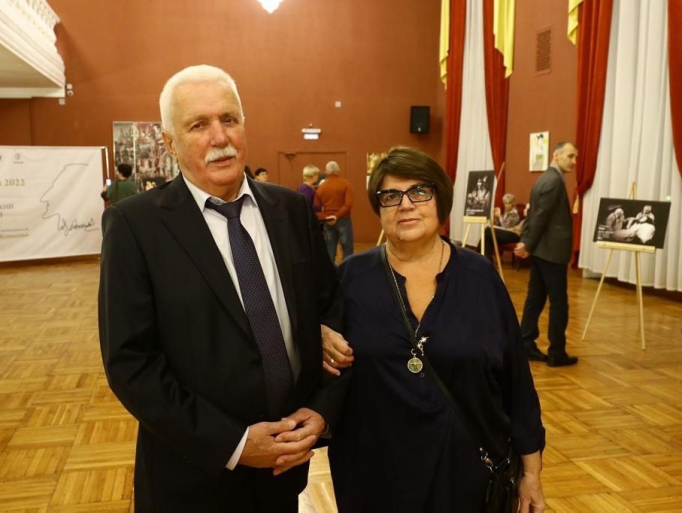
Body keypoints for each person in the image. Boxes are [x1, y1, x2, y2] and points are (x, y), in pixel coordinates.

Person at [98, 64, 347, 512]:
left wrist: (321, 410)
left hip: (285, 468)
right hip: (193, 477)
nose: (219, 137)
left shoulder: (290, 211)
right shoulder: (135, 226)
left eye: (229, 119)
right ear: (170, 143)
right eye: (198, 125)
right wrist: (233, 443)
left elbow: (331, 311)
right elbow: (131, 364)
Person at [322, 146, 546, 512]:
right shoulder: (350, 278)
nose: (405, 205)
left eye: (419, 192)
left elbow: (517, 382)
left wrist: (531, 472)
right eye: (391, 196)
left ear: (440, 198)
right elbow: (319, 364)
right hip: (376, 478)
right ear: (379, 207)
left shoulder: (480, 277)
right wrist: (317, 336)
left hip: (468, 477)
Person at [514, 142, 578, 367]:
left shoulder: (543, 179)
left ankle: (525, 343)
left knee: (535, 297)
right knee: (559, 302)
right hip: (551, 251)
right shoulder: (554, 181)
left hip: (543, 250)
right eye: (570, 156)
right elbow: (540, 216)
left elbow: (533, 215)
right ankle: (556, 352)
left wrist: (527, 242)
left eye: (575, 157)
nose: (574, 161)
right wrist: (528, 244)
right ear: (556, 155)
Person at [314, 161, 354, 263]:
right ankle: (347, 269)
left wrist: (326, 217)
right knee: (347, 247)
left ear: (327, 172)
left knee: (330, 248)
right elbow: (349, 204)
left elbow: (316, 208)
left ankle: (330, 270)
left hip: (328, 221)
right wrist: (337, 216)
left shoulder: (321, 187)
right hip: (343, 219)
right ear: (338, 171)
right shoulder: (346, 184)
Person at [483, 192, 522, 258]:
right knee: (487, 235)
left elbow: (506, 227)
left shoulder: (514, 214)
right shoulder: (506, 213)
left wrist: (500, 216)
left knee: (487, 231)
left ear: (513, 203)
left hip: (513, 234)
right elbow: (500, 226)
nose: (507, 205)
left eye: (509, 203)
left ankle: (485, 258)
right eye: (506, 203)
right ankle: (487, 259)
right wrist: (495, 217)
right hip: (506, 234)